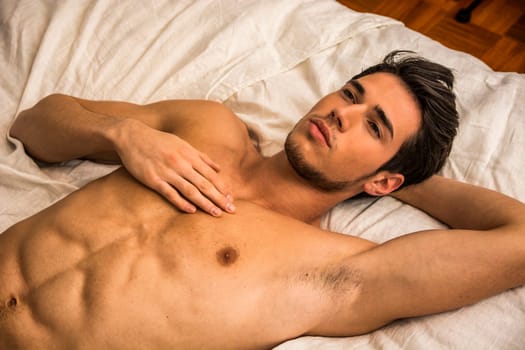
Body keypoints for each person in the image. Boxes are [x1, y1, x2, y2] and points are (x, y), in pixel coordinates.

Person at [1, 51, 524, 349]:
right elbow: (36, 125)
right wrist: (121, 135)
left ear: (386, 182)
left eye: (374, 125)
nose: (343, 112)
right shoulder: (205, 127)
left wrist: (401, 173)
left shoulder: (331, 271)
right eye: (351, 93)